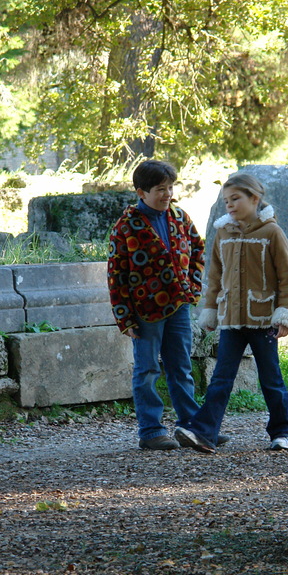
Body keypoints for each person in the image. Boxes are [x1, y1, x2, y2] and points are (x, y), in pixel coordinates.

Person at [174, 172, 288, 453]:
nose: (229, 205)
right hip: (231, 320)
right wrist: (209, 311)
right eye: (226, 200)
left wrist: (284, 315)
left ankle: (285, 430)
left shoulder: (272, 233)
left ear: (254, 199)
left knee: (271, 379)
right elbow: (215, 277)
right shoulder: (223, 233)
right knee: (221, 378)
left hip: (263, 320)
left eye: (236, 199)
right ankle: (204, 432)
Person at [107, 160, 206, 450]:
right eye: (160, 189)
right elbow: (117, 275)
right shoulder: (125, 227)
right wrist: (125, 318)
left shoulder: (179, 216)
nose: (168, 194)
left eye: (170, 187)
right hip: (145, 311)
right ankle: (151, 431)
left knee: (181, 367)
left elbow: (198, 250)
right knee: (147, 369)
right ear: (141, 192)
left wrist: (193, 288)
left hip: (179, 306)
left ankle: (192, 428)